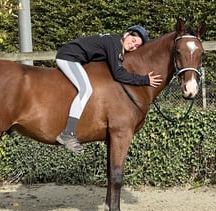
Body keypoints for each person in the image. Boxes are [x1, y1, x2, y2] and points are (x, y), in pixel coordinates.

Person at [55, 25, 162, 153]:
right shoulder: (114, 44)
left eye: (137, 46)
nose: (133, 46)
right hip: (68, 57)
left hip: (75, 58)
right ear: (126, 34)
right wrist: (145, 80)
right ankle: (67, 133)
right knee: (85, 90)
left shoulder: (115, 43)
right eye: (133, 41)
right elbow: (119, 74)